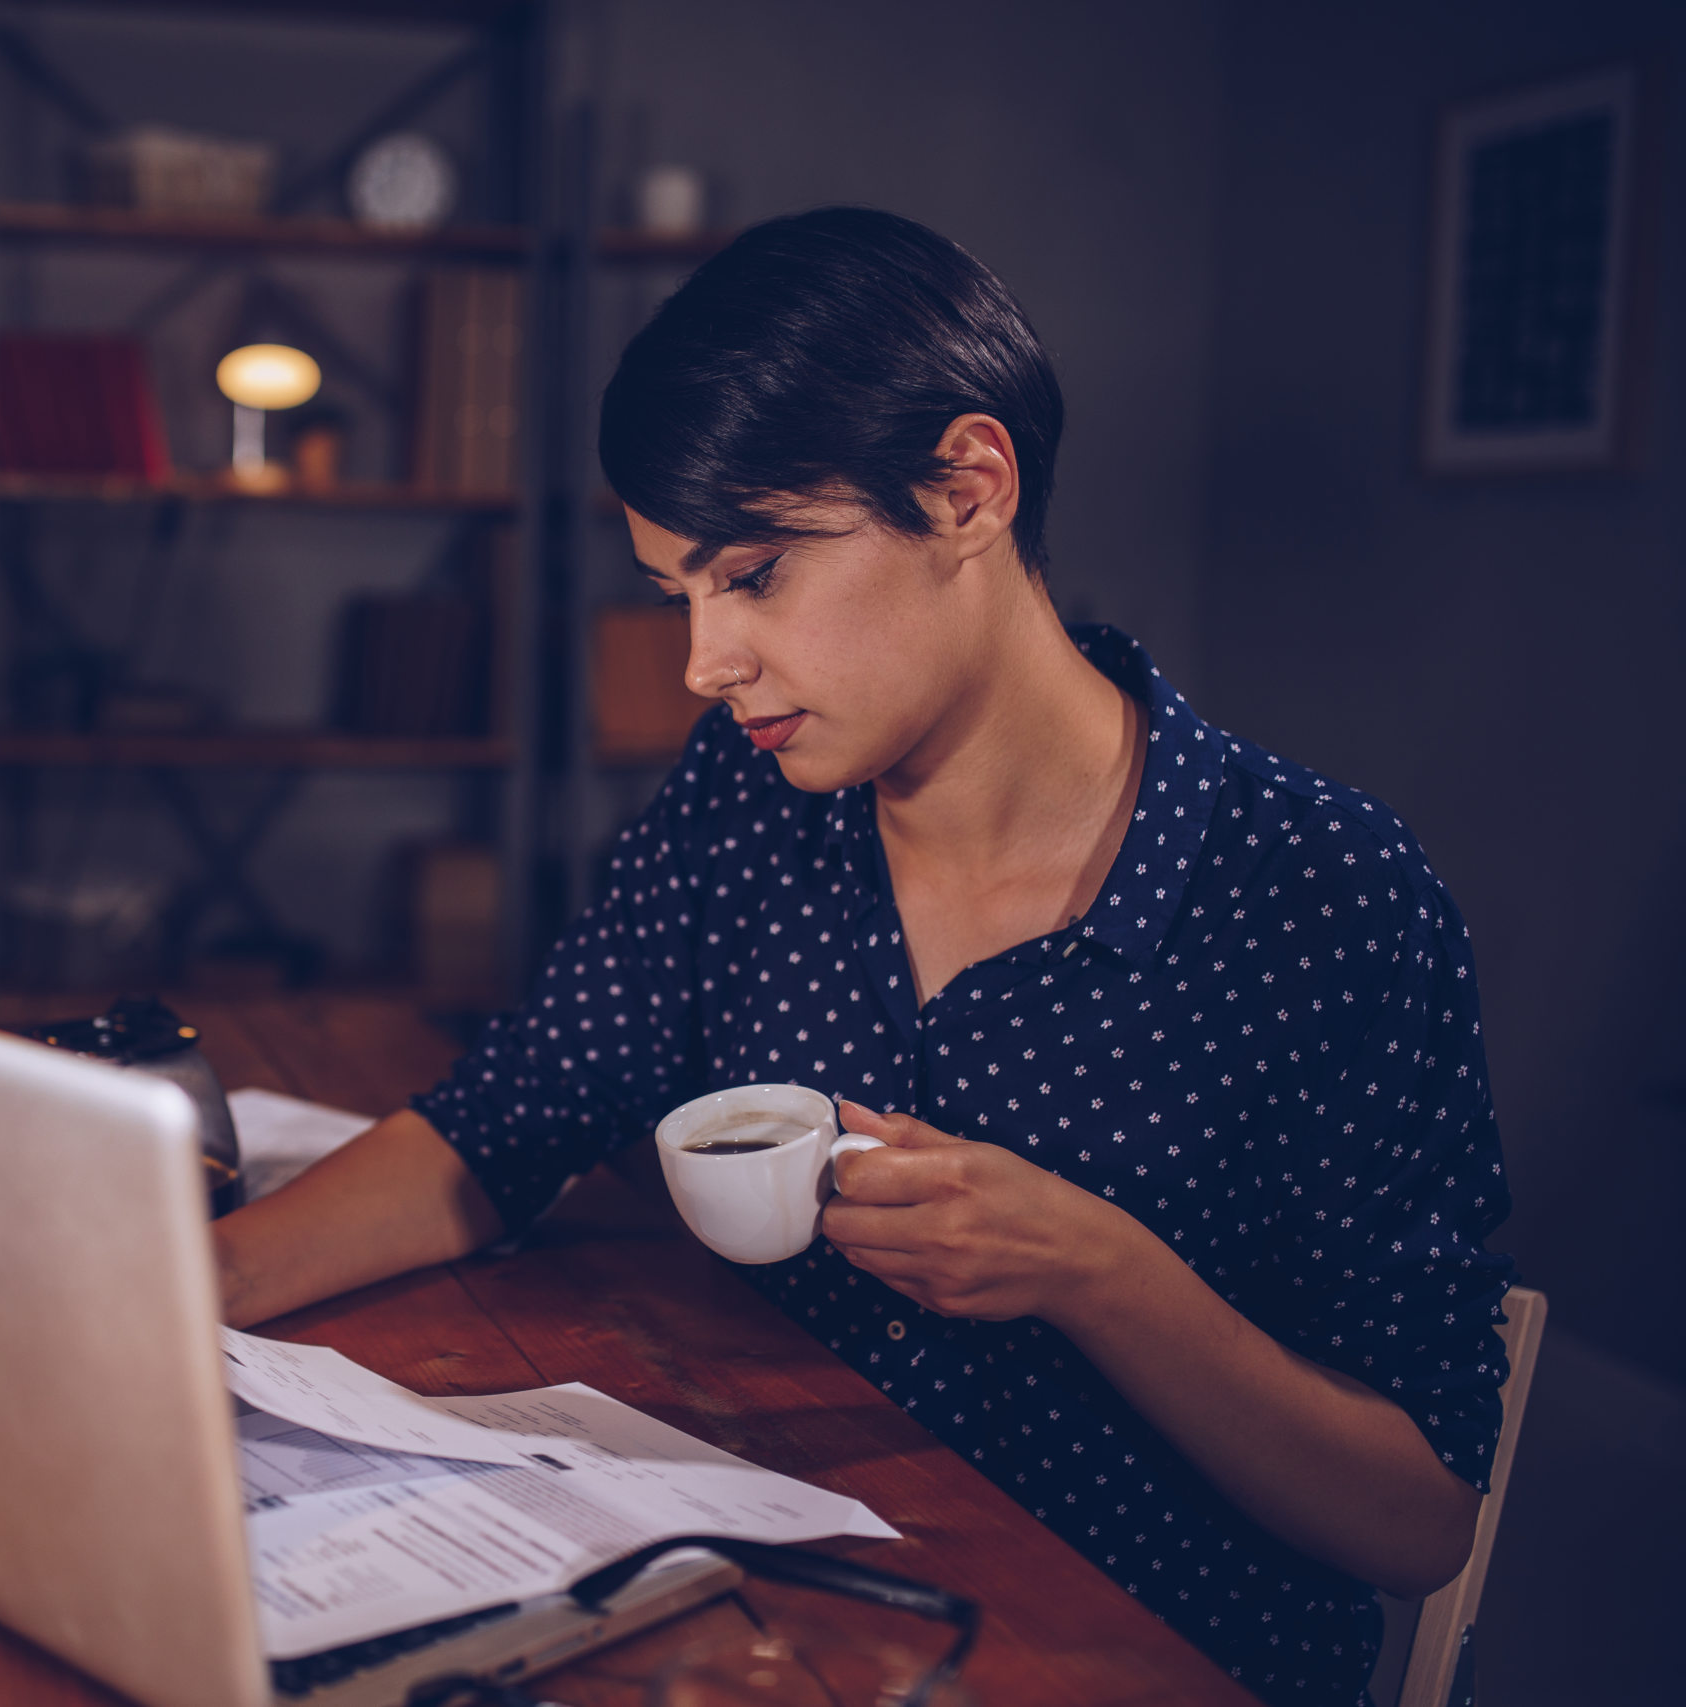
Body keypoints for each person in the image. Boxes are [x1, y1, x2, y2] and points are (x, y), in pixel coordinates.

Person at [213, 206, 1514, 1705]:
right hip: (778, 1614)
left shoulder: (1322, 893)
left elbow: (1416, 1514)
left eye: (753, 575)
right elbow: (505, 1123)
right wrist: (190, 1293)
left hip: (1130, 1656)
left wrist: (1099, 1272)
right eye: (678, 594)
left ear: (967, 488)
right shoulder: (748, 801)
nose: (705, 662)